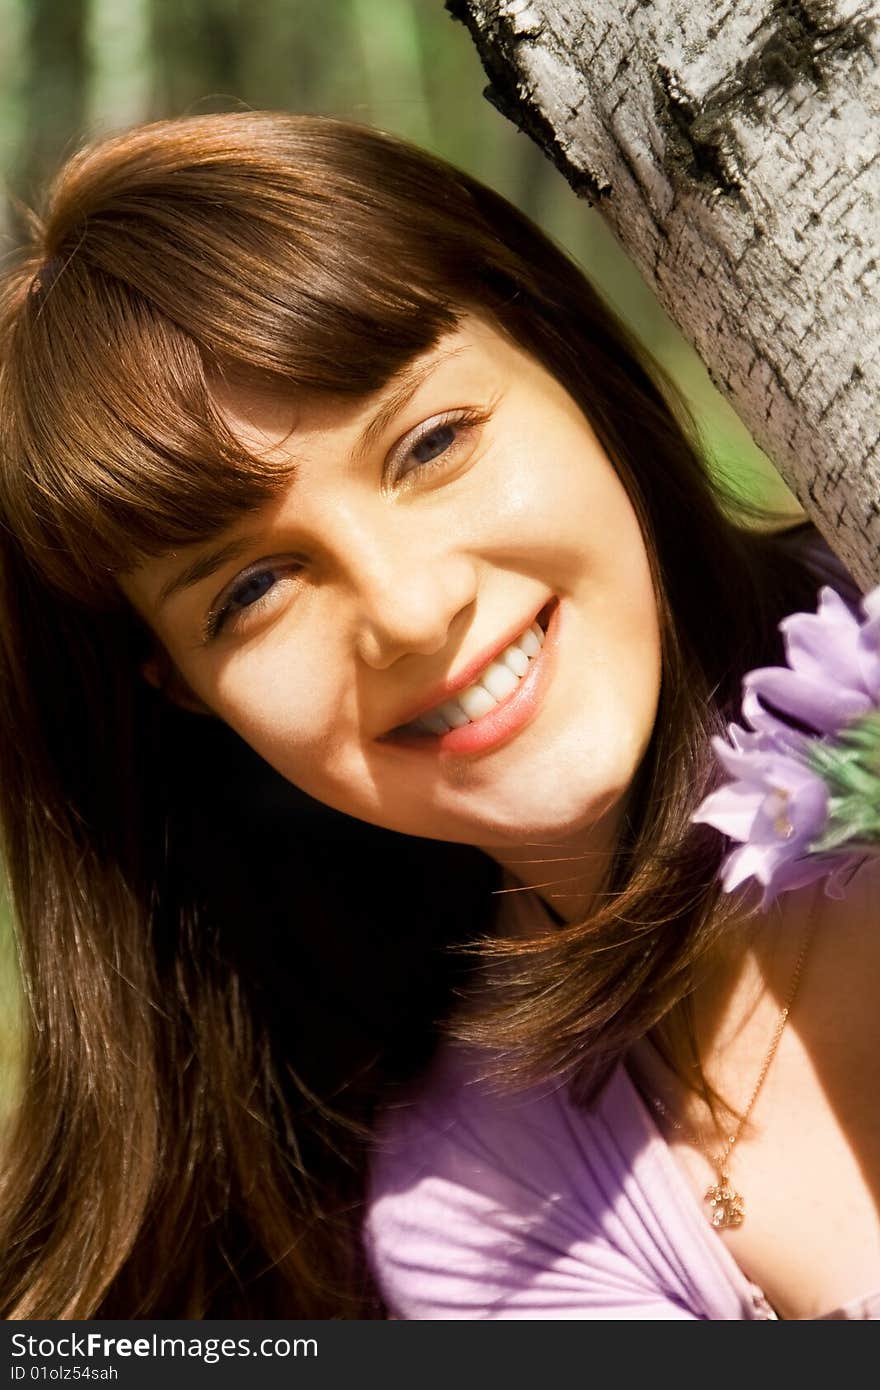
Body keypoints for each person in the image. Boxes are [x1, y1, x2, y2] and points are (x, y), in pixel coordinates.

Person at [0, 112, 874, 1322]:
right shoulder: (486, 1213)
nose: (409, 610)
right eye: (251, 589)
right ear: (186, 689)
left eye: (430, 443)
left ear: (561, 357)